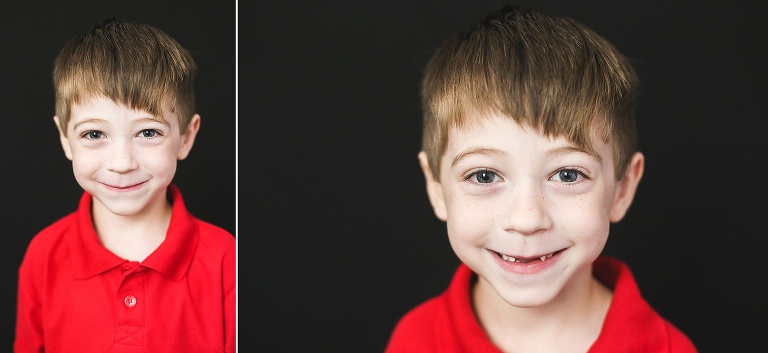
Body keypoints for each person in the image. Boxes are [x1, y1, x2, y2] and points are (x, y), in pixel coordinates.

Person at [385, 5, 696, 353]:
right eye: (484, 175)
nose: (527, 219)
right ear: (436, 188)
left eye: (567, 174)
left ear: (622, 188)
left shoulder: (668, 348)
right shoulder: (416, 340)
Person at [14, 19, 235, 353]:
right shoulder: (43, 256)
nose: (122, 162)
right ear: (65, 139)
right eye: (93, 134)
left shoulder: (226, 260)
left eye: (148, 132)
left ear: (185, 138)